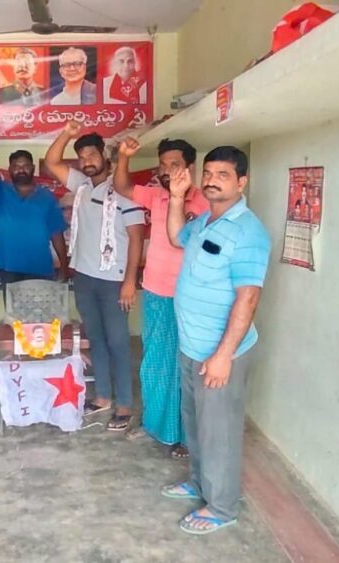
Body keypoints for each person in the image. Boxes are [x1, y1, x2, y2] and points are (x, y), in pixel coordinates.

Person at [161, 146, 271, 535]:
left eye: (223, 175)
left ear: (242, 182)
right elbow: (176, 237)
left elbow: (248, 298)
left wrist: (224, 355)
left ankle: (222, 506)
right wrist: (176, 198)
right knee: (195, 424)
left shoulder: (248, 232)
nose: (211, 180)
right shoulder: (206, 221)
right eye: (207, 173)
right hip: (192, 346)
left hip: (222, 352)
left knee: (219, 430)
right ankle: (199, 482)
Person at [45, 121, 145, 431]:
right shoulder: (82, 185)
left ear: (105, 155)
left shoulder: (124, 190)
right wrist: (66, 134)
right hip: (85, 277)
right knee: (97, 339)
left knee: (118, 341)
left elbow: (137, 238)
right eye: (82, 157)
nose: (87, 161)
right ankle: (103, 396)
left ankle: (124, 403)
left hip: (114, 280)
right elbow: (51, 161)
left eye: (92, 154)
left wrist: (129, 282)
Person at [113, 136, 209, 458]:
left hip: (188, 298)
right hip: (155, 292)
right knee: (154, 363)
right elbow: (122, 187)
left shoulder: (205, 203)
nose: (167, 171)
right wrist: (123, 157)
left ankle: (186, 436)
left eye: (175, 165)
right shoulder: (156, 195)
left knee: (185, 369)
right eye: (163, 165)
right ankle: (154, 424)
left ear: (190, 167)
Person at [0, 127, 69, 296]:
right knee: (14, 313)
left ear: (33, 168)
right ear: (10, 169)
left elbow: (57, 234)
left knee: (40, 313)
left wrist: (64, 266)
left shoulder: (47, 197)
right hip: (8, 269)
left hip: (40, 268)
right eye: (16, 166)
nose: (21, 169)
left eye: (25, 165)